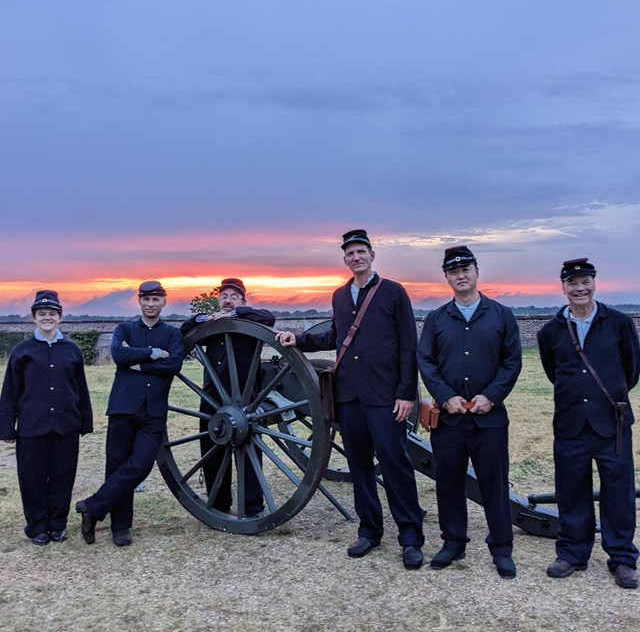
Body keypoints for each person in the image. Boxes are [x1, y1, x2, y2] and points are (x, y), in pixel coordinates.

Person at [276, 229, 425, 569]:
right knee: (359, 467)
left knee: (395, 466)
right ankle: (369, 531)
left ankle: (411, 537)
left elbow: (407, 346)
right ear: (345, 259)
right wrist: (297, 339)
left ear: (372, 255)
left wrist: (406, 395)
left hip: (385, 396)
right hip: (350, 395)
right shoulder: (340, 296)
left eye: (361, 251)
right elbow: (335, 335)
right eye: (350, 253)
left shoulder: (393, 292)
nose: (356, 257)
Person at [417, 245, 521, 578]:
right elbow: (426, 362)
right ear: (446, 277)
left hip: (489, 419)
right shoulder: (436, 320)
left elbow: (512, 362)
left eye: (466, 269)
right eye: (453, 271)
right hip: (449, 419)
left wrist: (491, 395)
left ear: (476, 272)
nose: (460, 276)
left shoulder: (501, 315)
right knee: (449, 483)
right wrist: (445, 396)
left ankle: (502, 548)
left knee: (494, 484)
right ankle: (453, 542)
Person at [537, 258, 640, 589]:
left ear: (595, 283)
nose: (579, 288)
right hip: (570, 425)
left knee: (618, 492)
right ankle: (572, 553)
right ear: (563, 287)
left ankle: (622, 557)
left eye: (585, 281)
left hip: (612, 424)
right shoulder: (550, 331)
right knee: (571, 491)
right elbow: (554, 372)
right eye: (572, 283)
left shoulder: (619, 323)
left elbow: (632, 369)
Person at [75, 280, 183, 546]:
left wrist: (138, 366)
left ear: (164, 302)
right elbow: (118, 355)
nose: (150, 304)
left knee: (141, 465)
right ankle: (120, 528)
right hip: (123, 407)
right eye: (146, 299)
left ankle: (92, 506)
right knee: (116, 465)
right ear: (139, 301)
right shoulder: (125, 328)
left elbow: (174, 364)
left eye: (156, 299)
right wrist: (153, 353)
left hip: (153, 410)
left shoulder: (172, 333)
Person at [0, 290, 93, 545]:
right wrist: (7, 428)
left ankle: (57, 523)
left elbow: (81, 389)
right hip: (32, 426)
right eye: (42, 313)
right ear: (34, 317)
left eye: (52, 313)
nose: (47, 318)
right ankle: (37, 526)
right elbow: (10, 392)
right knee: (32, 479)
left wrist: (85, 422)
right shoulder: (22, 351)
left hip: (66, 425)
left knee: (63, 476)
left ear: (60, 317)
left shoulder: (71, 350)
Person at [180, 278, 275, 517]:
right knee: (213, 448)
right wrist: (204, 318)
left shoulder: (250, 319)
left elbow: (269, 318)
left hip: (246, 398)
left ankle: (251, 506)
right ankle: (219, 503)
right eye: (224, 296)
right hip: (213, 398)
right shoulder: (210, 327)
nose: (228, 300)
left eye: (234, 296)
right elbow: (184, 331)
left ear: (243, 300)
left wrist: (237, 313)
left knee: (251, 453)